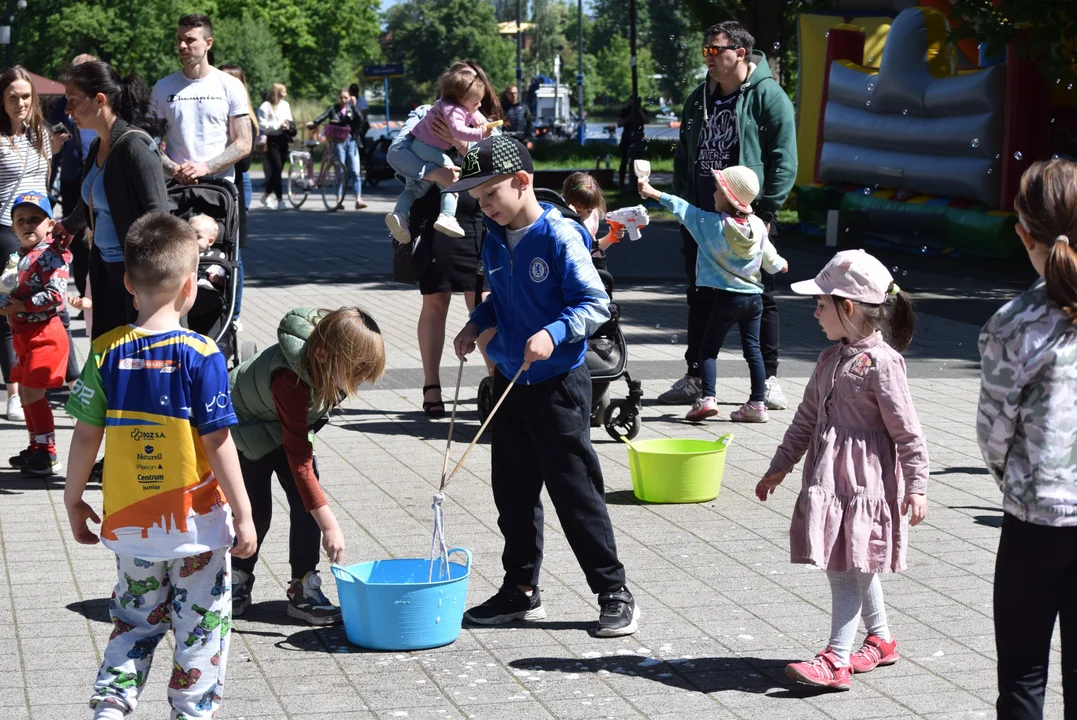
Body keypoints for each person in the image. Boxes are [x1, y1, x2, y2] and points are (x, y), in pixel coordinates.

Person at [62, 211, 256, 720]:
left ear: (127, 282)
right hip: (197, 527)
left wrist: (72, 497)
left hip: (131, 526)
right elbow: (218, 440)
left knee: (134, 621)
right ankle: (191, 712)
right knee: (202, 627)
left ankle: (111, 704)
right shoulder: (203, 353)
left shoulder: (104, 350)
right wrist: (245, 511)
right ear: (191, 287)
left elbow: (85, 436)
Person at [450, 135, 639, 638]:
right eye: (476, 198)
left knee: (574, 490)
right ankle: (520, 588)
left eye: (489, 194)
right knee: (511, 492)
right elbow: (502, 299)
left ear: (522, 181)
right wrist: (477, 322)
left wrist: (552, 333)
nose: (483, 205)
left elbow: (594, 304)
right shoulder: (492, 236)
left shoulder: (559, 235)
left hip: (558, 382)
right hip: (510, 380)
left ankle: (613, 590)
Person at [755, 249, 928, 690]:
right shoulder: (830, 358)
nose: (814, 312)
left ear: (847, 307)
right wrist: (779, 466)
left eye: (820, 303)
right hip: (829, 483)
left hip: (864, 488)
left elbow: (908, 433)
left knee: (844, 565)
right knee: (854, 563)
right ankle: (883, 640)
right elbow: (805, 418)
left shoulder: (884, 364)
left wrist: (917, 486)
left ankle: (836, 658)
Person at [978, 158, 1077, 719]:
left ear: (1022, 233)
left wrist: (1018, 484)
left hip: (1035, 523)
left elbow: (994, 434)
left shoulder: (1014, 323)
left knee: (1022, 678)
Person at [662, 20, 797, 411]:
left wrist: (767, 210)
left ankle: (768, 381)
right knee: (700, 294)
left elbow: (784, 159)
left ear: (739, 53)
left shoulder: (769, 97)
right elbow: (685, 156)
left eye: (713, 50)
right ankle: (696, 378)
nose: (706, 57)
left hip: (747, 219)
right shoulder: (697, 98)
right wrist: (687, 208)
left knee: (760, 296)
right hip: (704, 217)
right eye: (704, 50)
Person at [228, 307, 386, 624]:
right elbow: (299, 459)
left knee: (308, 505)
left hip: (285, 428)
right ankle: (235, 579)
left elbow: (299, 445)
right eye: (355, 372)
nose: (356, 382)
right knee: (255, 512)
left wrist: (319, 513)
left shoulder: (322, 360)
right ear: (327, 355)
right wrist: (331, 526)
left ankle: (303, 585)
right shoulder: (290, 380)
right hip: (246, 430)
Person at [391, 60, 501, 417]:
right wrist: (433, 171)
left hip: (479, 213)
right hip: (437, 215)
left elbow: (496, 159)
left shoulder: (484, 118)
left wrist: (468, 137)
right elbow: (395, 153)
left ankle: (497, 379)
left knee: (480, 299)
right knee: (435, 301)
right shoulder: (426, 112)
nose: (472, 98)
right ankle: (431, 385)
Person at [640, 166, 787, 423]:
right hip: (754, 299)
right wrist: (783, 265)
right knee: (753, 351)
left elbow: (680, 207)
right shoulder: (758, 226)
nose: (714, 192)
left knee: (708, 350)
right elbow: (773, 263)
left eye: (718, 189)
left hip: (726, 299)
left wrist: (652, 192)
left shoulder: (709, 224)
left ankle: (707, 399)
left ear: (729, 197)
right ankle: (757, 403)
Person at [55, 60, 169, 340]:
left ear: (99, 99)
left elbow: (160, 216)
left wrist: (144, 277)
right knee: (107, 351)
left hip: (135, 276)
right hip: (104, 269)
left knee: (134, 356)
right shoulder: (97, 145)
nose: (67, 110)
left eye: (73, 101)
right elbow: (90, 199)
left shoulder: (135, 146)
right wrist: (67, 227)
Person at [1, 66, 71, 421]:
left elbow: (45, 182)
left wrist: (50, 226)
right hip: (5, 229)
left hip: (40, 228)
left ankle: (65, 382)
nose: (20, 103)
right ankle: (14, 392)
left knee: (52, 304)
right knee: (9, 307)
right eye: (12, 96)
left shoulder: (41, 135)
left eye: (26, 96)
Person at [385, 65, 496, 244]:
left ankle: (399, 215)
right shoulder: (431, 112)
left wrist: (458, 140)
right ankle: (447, 216)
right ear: (461, 95)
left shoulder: (472, 114)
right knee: (452, 180)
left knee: (411, 190)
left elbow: (493, 160)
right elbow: (395, 153)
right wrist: (436, 173)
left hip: (470, 232)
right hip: (424, 232)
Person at [1, 191, 70, 476]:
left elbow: (56, 295)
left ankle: (48, 452)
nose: (28, 225)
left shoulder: (52, 255)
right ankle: (36, 447)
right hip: (22, 335)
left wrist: (22, 305)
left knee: (33, 394)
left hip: (45, 334)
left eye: (35, 219)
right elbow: (7, 288)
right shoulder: (17, 256)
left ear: (50, 225)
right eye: (21, 220)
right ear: (13, 226)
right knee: (28, 396)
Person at [151, 14, 252, 187]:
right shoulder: (162, 87)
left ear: (208, 43)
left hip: (218, 188)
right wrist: (174, 168)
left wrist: (205, 168)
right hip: (175, 188)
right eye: (179, 40)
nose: (182, 46)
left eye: (190, 40)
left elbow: (244, 143)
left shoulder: (230, 85)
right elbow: (151, 140)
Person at [47, 53, 97, 300]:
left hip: (97, 173)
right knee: (75, 235)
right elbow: (52, 129)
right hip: (72, 176)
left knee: (97, 233)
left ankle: (95, 291)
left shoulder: (101, 100)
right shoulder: (61, 104)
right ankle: (82, 292)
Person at [306, 88, 367, 210]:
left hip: (352, 142)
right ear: (338, 97)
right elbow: (322, 117)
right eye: (341, 97)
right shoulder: (333, 109)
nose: (344, 100)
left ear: (350, 98)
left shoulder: (352, 109)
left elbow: (360, 120)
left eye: (346, 97)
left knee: (355, 171)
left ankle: (358, 199)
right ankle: (339, 199)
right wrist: (313, 123)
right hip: (338, 142)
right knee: (339, 171)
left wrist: (354, 106)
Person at [561, 171, 623, 270]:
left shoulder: (592, 217)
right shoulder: (561, 219)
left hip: (589, 269)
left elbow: (593, 248)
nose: (585, 215)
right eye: (578, 211)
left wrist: (611, 236)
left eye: (589, 210)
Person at [186, 214, 227, 335]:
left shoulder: (217, 256)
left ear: (210, 241)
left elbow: (223, 274)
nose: (192, 240)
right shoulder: (182, 254)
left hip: (206, 292)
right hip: (186, 291)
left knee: (208, 293)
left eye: (197, 237)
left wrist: (218, 278)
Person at [256, 82, 294, 211]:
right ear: (277, 92)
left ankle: (266, 195)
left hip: (283, 138)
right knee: (277, 169)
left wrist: (287, 125)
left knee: (278, 170)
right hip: (271, 139)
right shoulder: (265, 106)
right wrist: (278, 125)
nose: (285, 94)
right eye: (283, 91)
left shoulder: (285, 105)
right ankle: (280, 200)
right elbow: (262, 125)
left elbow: (289, 118)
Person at [616, 96, 650, 188]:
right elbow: (619, 124)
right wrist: (628, 118)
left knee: (640, 161)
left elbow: (646, 121)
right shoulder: (625, 111)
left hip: (638, 137)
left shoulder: (643, 111)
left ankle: (640, 183)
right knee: (624, 161)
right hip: (626, 138)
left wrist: (639, 111)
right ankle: (621, 183)